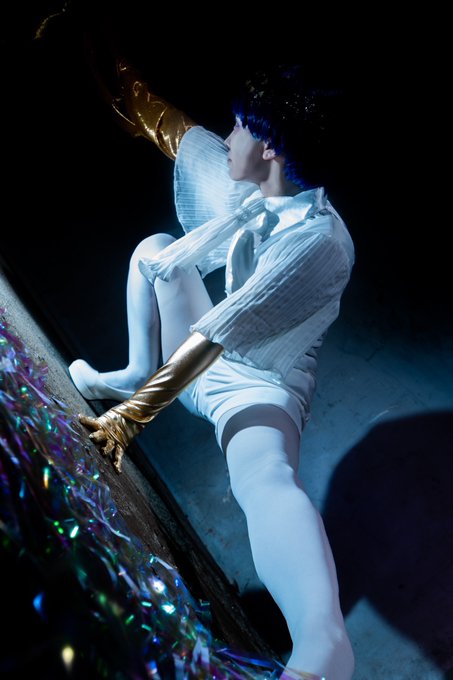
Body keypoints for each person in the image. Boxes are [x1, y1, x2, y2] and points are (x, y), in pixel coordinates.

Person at [69, 57, 355, 680]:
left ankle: (325, 643)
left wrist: (131, 419)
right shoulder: (253, 189)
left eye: (239, 127)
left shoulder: (320, 242)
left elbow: (218, 334)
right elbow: (173, 131)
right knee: (157, 252)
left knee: (265, 479)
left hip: (262, 384)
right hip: (200, 355)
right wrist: (100, 61)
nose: (228, 138)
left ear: (271, 148)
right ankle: (136, 370)